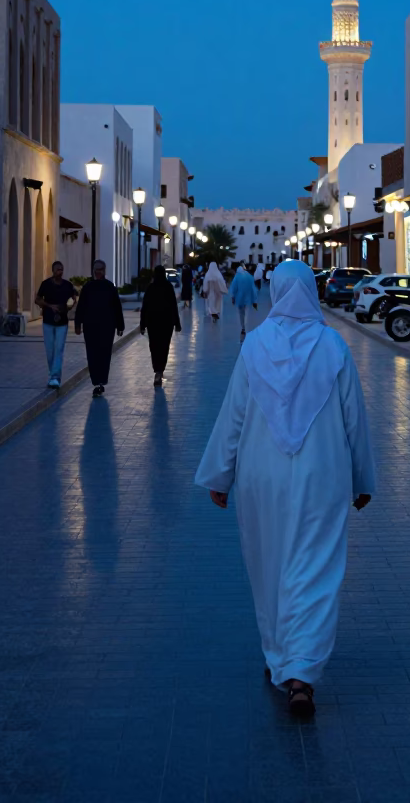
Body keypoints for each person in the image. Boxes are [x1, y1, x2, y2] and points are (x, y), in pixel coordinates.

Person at [195, 260, 375, 718]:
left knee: (270, 563)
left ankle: (280, 657)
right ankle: (300, 671)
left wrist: (220, 475)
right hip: (323, 476)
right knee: (314, 568)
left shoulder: (254, 345)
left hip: (262, 477)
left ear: (274, 292)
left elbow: (235, 414)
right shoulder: (333, 346)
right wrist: (362, 479)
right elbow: (354, 419)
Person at [74, 260, 125, 397]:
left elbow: (117, 307)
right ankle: (96, 381)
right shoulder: (88, 287)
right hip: (90, 326)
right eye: (96, 269)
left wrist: (120, 325)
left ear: (104, 270)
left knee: (104, 354)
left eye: (101, 269)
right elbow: (81, 306)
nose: (98, 272)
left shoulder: (110, 287)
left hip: (107, 327)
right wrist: (78, 324)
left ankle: (101, 381)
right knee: (92, 354)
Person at [35, 261, 78, 388]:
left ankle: (55, 377)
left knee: (59, 349)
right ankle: (52, 372)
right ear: (53, 271)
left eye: (62, 269)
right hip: (48, 321)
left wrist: (70, 305)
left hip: (62, 322)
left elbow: (74, 298)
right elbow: (37, 299)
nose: (60, 271)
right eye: (58, 269)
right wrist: (49, 306)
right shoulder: (46, 284)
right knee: (50, 350)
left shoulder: (67, 285)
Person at [140, 265, 182, 387]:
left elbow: (145, 308)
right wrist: (177, 324)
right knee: (164, 347)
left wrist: (143, 325)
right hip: (166, 323)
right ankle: (160, 370)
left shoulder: (151, 288)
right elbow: (174, 306)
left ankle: (157, 370)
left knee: (154, 347)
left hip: (153, 323)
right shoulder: (168, 287)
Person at [229, 263, 259, 338]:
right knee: (246, 312)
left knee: (241, 313)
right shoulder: (249, 276)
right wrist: (254, 301)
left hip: (239, 298)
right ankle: (246, 327)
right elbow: (253, 289)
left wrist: (233, 297)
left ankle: (243, 327)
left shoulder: (237, 276)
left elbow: (233, 288)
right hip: (248, 298)